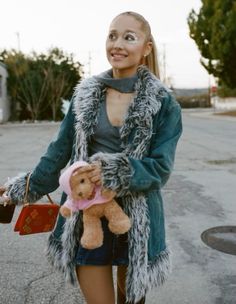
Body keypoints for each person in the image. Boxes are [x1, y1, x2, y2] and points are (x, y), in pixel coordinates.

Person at [1, 11, 182, 304]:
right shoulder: (85, 95)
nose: (117, 44)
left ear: (147, 48)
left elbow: (160, 168)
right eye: (112, 35)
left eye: (129, 37)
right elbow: (58, 153)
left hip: (136, 222)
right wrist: (20, 188)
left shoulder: (164, 104)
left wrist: (112, 171)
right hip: (88, 218)